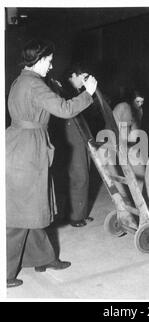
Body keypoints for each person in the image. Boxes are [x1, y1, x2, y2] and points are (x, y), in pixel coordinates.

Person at [6, 38, 97, 288]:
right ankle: (5, 271)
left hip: (19, 145)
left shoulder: (20, 80)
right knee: (18, 213)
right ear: (37, 60)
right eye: (48, 60)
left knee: (32, 206)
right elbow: (65, 109)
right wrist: (87, 93)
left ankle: (43, 258)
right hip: (27, 150)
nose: (51, 64)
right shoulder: (34, 84)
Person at [50, 63, 99, 227]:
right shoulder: (61, 90)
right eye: (82, 77)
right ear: (72, 75)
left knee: (82, 175)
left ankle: (80, 213)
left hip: (80, 137)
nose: (84, 82)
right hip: (71, 139)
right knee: (79, 176)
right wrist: (87, 93)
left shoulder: (75, 92)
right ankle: (75, 216)